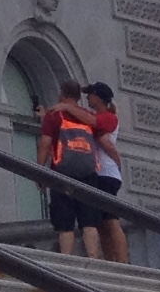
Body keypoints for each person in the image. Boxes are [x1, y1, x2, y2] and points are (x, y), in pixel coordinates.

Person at [36, 77, 102, 255]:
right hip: (88, 173)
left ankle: (67, 261)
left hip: (62, 174)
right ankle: (94, 261)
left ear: (62, 94)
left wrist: (39, 171)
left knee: (65, 224)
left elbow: (45, 143)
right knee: (89, 222)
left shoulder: (55, 115)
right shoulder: (88, 117)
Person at [84, 80, 132, 263]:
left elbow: (105, 142)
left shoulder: (108, 117)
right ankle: (112, 260)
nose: (87, 97)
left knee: (111, 220)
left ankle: (121, 261)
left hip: (107, 173)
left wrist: (117, 159)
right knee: (103, 222)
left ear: (98, 97)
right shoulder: (103, 117)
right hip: (102, 172)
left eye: (90, 94)